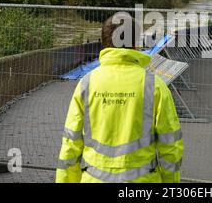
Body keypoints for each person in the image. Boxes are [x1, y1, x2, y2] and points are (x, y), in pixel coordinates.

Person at [56, 14, 183, 183]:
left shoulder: (86, 84)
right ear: (136, 44)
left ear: (104, 42)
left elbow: (70, 145)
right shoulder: (156, 87)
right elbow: (171, 148)